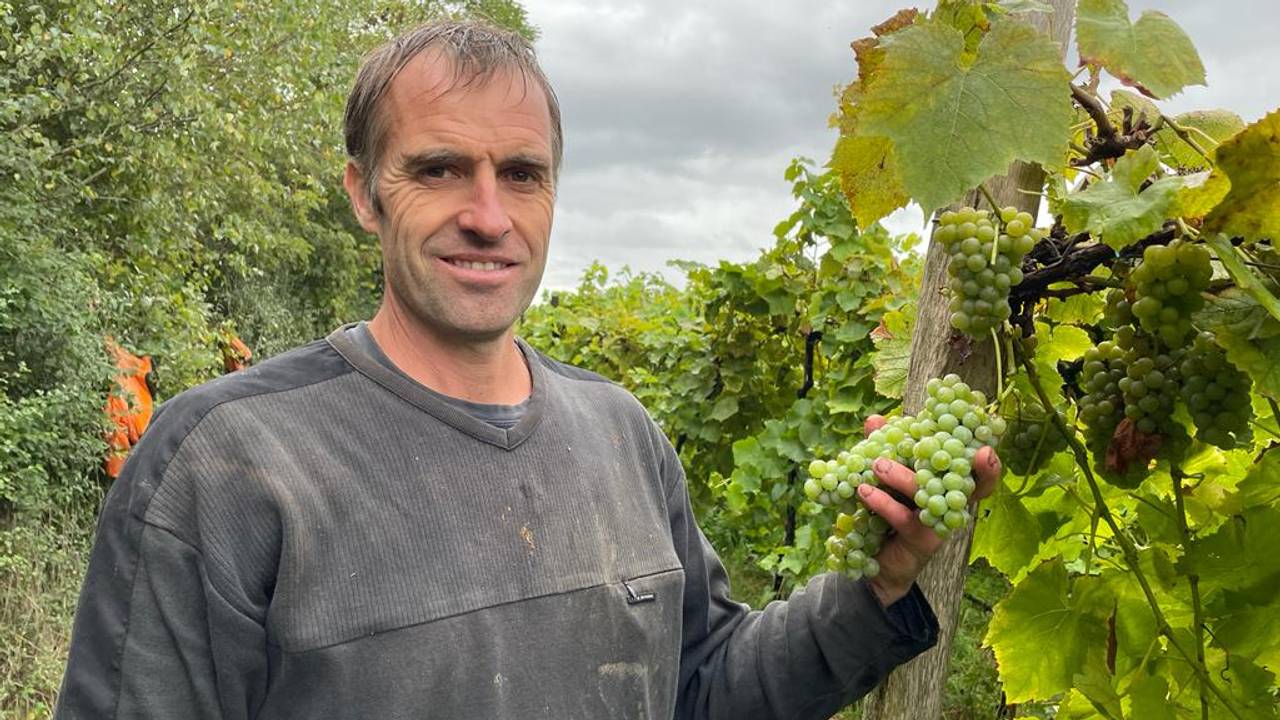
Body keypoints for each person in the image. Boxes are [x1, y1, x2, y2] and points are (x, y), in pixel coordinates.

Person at [54, 20, 1001, 720]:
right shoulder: (226, 462)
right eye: (437, 170)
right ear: (362, 193)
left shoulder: (620, 434)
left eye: (521, 173)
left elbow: (706, 691)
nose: (488, 214)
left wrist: (873, 589)